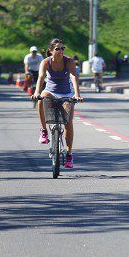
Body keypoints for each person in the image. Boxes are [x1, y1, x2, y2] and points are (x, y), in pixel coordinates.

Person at [33, 38, 83, 169]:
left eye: (62, 48)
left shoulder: (69, 61)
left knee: (68, 122)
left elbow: (74, 77)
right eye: (57, 49)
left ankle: (69, 154)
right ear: (50, 51)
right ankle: (44, 131)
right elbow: (41, 77)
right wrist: (37, 92)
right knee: (41, 99)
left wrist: (77, 94)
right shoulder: (46, 62)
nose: (61, 51)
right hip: (50, 91)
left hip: (66, 93)